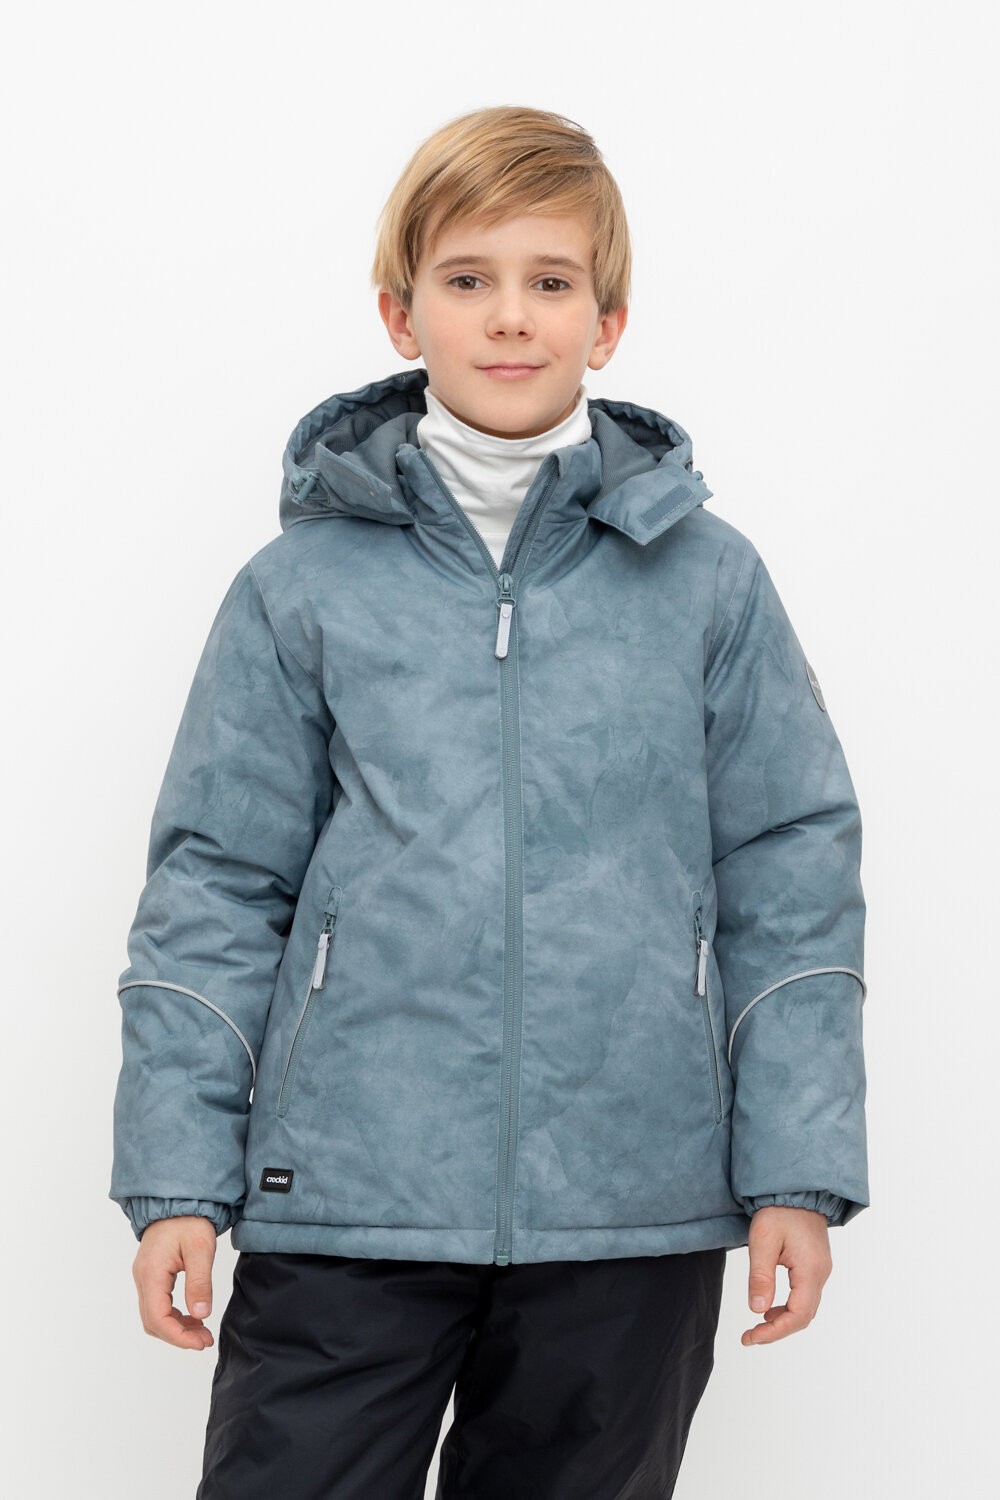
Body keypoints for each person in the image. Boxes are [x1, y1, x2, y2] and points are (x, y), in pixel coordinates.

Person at [109, 104, 869, 1499]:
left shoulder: (710, 581)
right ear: (402, 315)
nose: (511, 316)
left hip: (627, 1204)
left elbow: (790, 870)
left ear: (609, 321)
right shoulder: (300, 589)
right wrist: (177, 1180)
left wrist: (796, 1172)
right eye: (468, 278)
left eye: (551, 280)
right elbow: (215, 883)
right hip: (347, 1199)